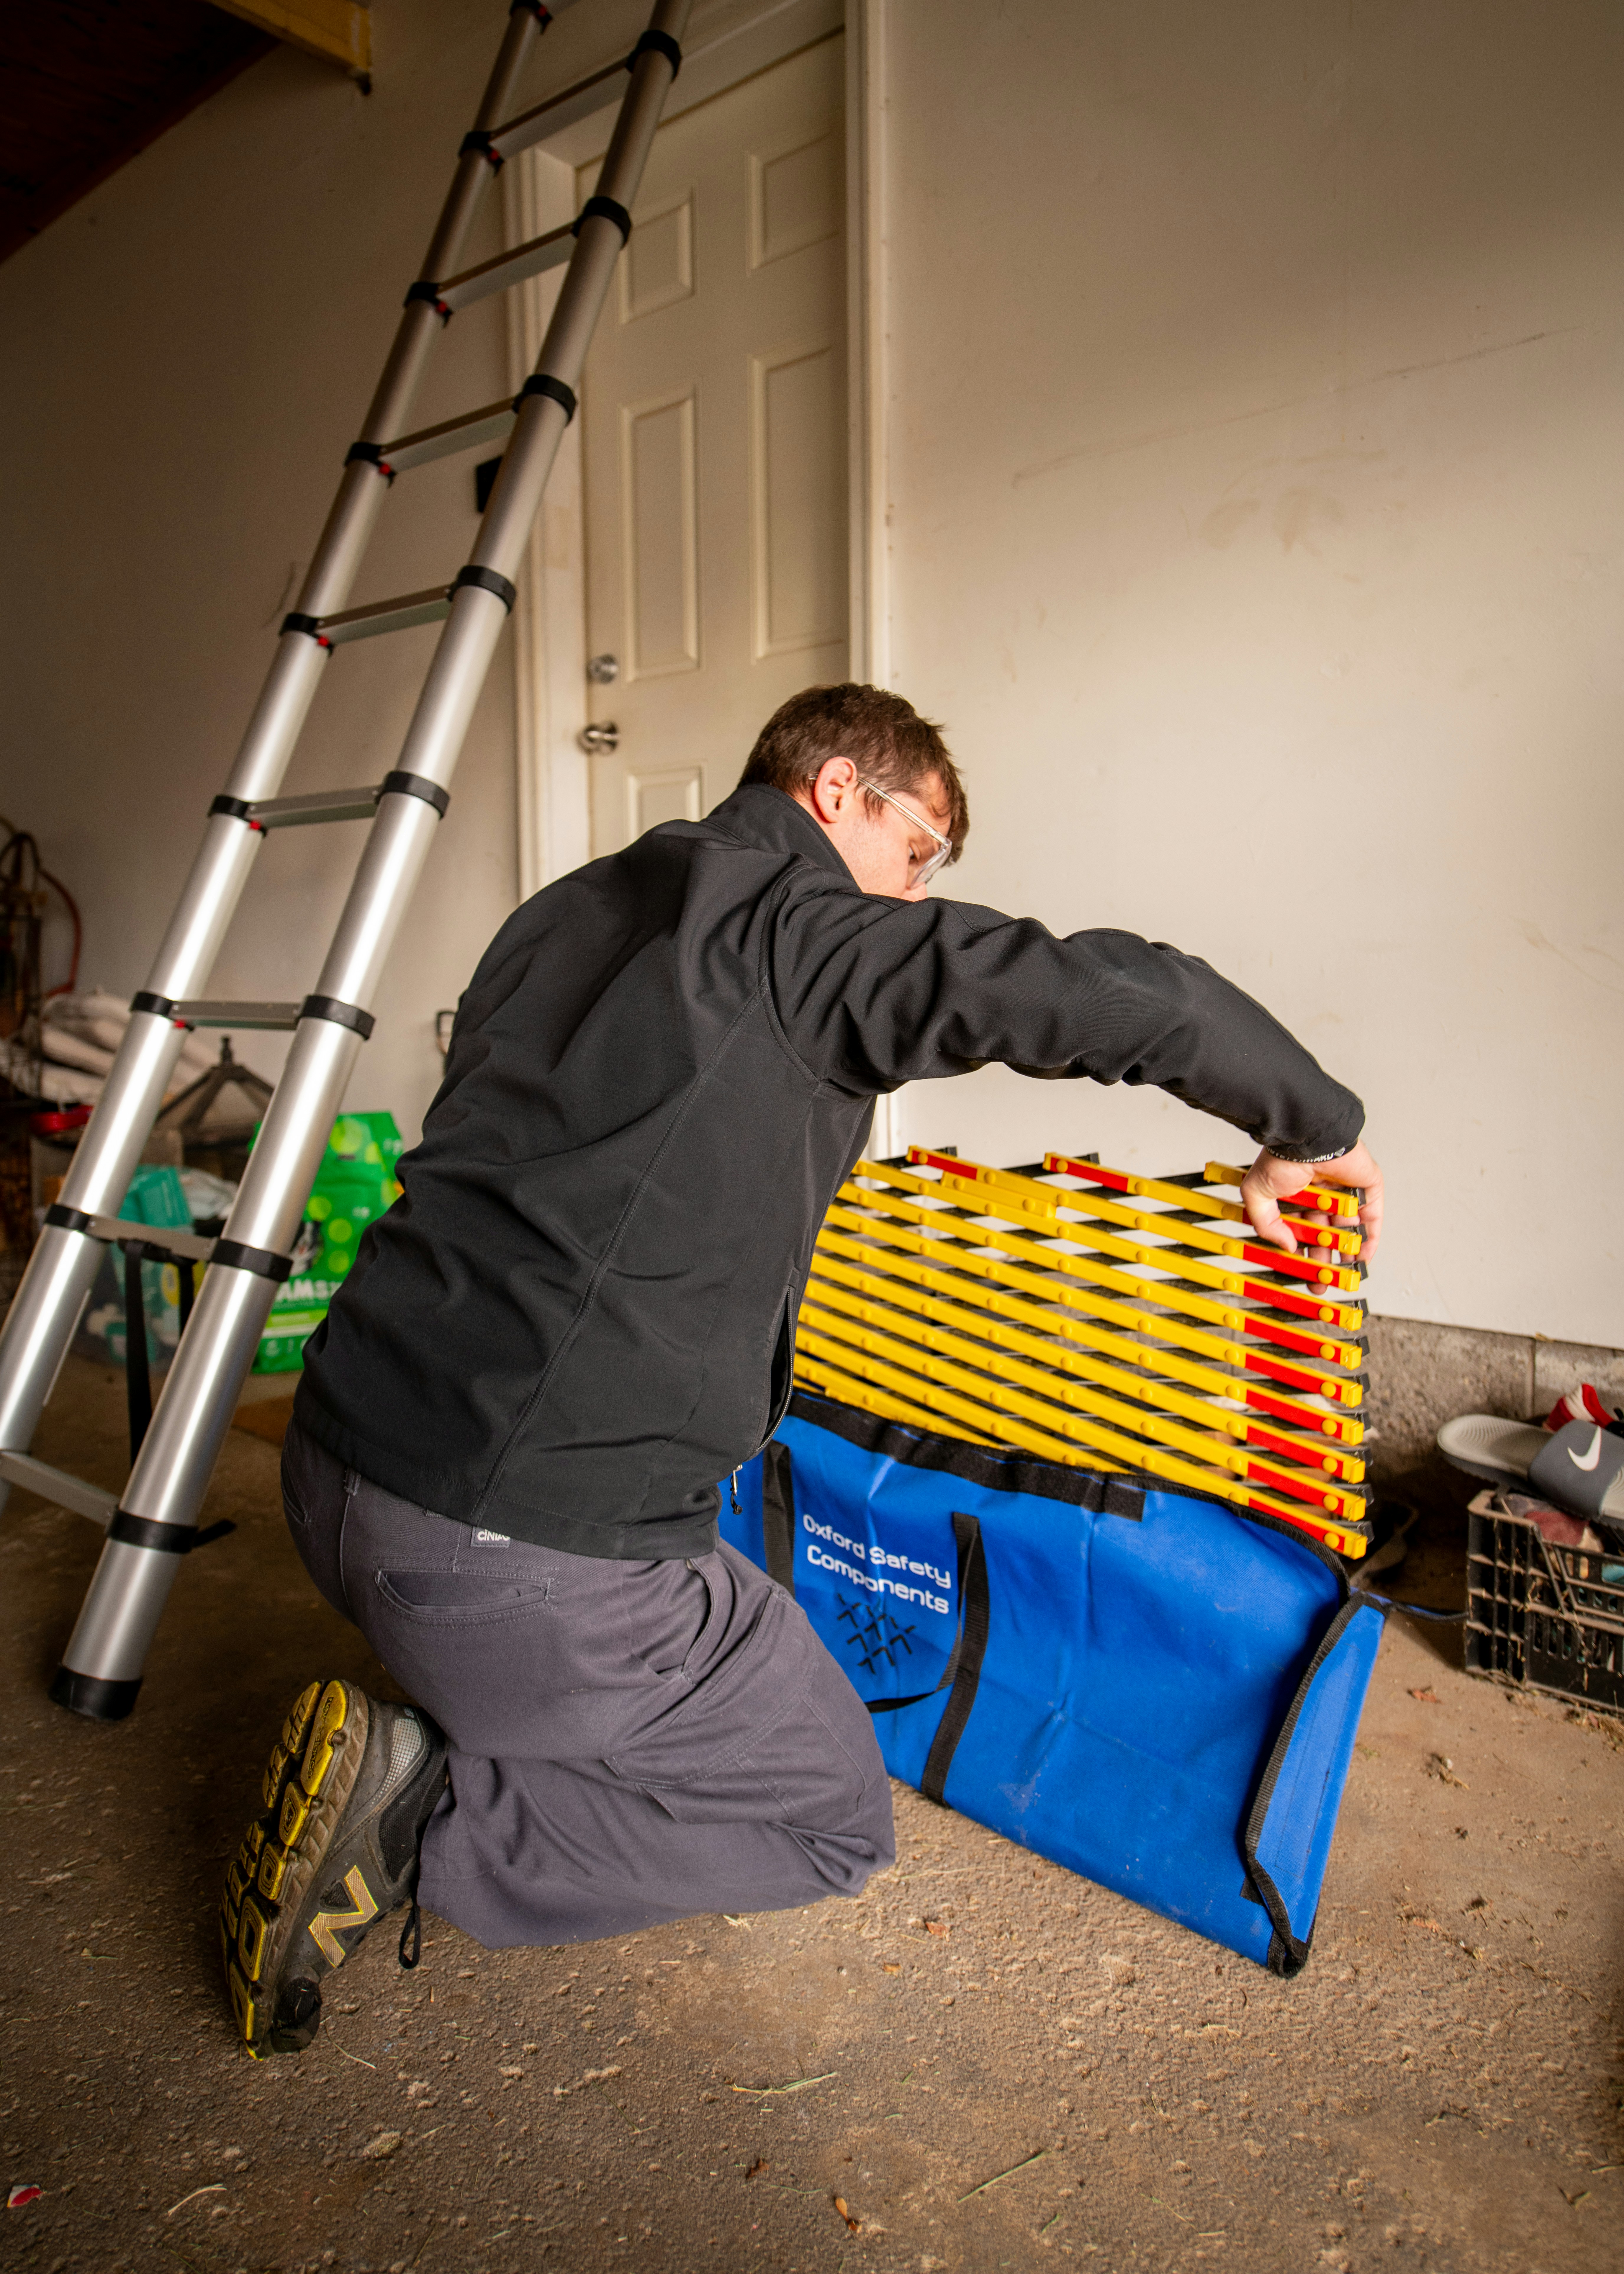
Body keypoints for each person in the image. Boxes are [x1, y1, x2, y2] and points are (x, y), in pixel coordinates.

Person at [218, 683, 1383, 2058]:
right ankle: (431, 1814)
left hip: (332, 1467)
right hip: (506, 1555)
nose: (914, 894)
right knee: (823, 1813)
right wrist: (1314, 1122)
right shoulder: (806, 932)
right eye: (919, 855)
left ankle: (482, 1680)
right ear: (837, 795)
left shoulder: (567, 911)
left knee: (721, 1552)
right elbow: (1117, 991)